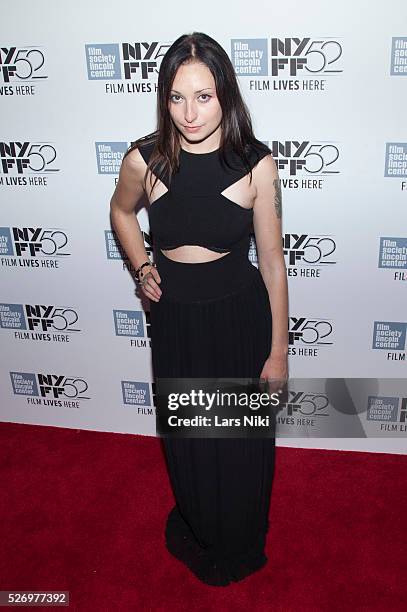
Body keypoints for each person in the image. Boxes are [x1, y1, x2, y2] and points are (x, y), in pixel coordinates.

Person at [110, 31, 289, 587]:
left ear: (226, 95)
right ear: (164, 98)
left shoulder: (256, 164)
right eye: (177, 97)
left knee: (237, 436)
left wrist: (278, 352)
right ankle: (202, 522)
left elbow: (274, 263)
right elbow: (120, 213)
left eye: (204, 96)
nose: (190, 113)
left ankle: (237, 533)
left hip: (239, 316)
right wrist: (142, 268)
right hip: (177, 319)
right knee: (189, 431)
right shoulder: (146, 159)